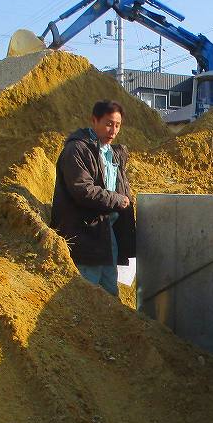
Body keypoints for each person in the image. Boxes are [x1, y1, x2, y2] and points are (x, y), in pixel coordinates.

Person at [50, 100, 136, 296]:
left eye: (117, 125)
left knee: (110, 294)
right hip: (84, 235)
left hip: (107, 234)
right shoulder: (77, 150)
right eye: (108, 123)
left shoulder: (112, 153)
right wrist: (117, 200)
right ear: (94, 121)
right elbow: (83, 190)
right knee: (87, 296)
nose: (113, 130)